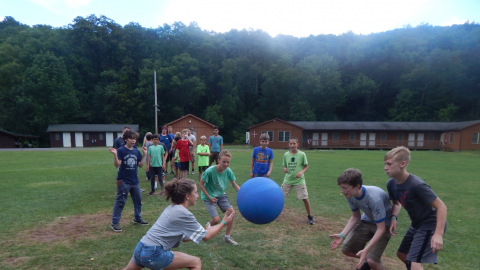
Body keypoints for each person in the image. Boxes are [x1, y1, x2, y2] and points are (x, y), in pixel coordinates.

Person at [123, 179, 235, 270]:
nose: (196, 196)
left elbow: (186, 238)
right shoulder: (184, 213)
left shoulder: (172, 208)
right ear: (187, 196)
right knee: (196, 262)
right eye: (195, 193)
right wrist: (224, 223)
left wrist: (205, 231)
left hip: (141, 248)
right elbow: (207, 237)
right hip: (153, 253)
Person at [384, 146, 447, 270]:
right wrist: (393, 217)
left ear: (402, 164)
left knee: (415, 262)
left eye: (389, 164)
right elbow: (396, 204)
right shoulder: (391, 183)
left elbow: (441, 207)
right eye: (385, 164)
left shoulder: (416, 185)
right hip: (417, 223)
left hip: (430, 223)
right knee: (402, 254)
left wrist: (438, 234)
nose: (385, 168)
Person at [330, 168, 393, 270]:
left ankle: (372, 260)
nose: (342, 191)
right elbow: (356, 216)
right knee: (347, 250)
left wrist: (366, 250)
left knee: (372, 261)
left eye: (345, 188)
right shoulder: (350, 195)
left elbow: (380, 229)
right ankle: (370, 260)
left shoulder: (373, 198)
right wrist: (342, 235)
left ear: (357, 186)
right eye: (341, 188)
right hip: (367, 220)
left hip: (384, 223)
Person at [108, 129, 149, 232]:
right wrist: (115, 155)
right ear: (126, 139)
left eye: (134, 138)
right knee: (120, 202)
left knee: (138, 201)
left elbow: (140, 165)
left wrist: (144, 154)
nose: (133, 140)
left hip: (135, 181)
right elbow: (117, 164)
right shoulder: (121, 150)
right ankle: (115, 223)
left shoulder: (136, 151)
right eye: (131, 138)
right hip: (123, 181)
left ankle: (137, 218)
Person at [199, 150, 240, 245]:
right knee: (216, 220)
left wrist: (244, 193)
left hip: (221, 195)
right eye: (224, 161)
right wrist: (209, 197)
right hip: (208, 196)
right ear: (218, 160)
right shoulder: (209, 171)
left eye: (228, 162)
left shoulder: (228, 171)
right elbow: (201, 184)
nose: (226, 164)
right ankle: (207, 227)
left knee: (231, 213)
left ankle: (227, 237)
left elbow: (234, 185)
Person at [282, 137, 314, 225]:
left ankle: (310, 216)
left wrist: (301, 172)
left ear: (297, 144)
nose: (292, 145)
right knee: (280, 197)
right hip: (288, 180)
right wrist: (285, 168)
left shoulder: (302, 154)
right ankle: (273, 213)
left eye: (294, 143)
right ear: (288, 144)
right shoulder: (286, 154)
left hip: (299, 181)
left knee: (305, 198)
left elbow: (306, 166)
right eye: (290, 144)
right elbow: (285, 165)